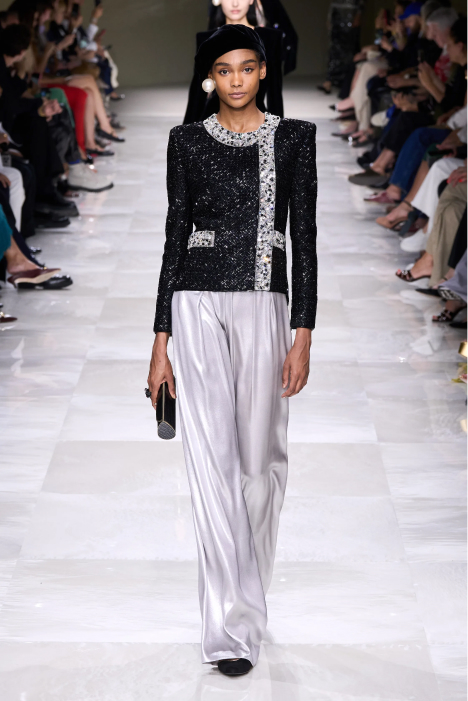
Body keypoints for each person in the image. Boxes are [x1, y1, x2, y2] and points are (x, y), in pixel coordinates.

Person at [148, 23, 317, 677]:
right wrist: (159, 341)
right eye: (225, 70)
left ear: (264, 72)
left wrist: (303, 332)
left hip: (264, 304)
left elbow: (304, 238)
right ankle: (229, 629)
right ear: (209, 77)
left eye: (248, 67)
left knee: (260, 464)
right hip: (195, 303)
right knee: (210, 465)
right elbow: (175, 234)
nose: (238, 79)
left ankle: (249, 595)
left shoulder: (293, 138)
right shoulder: (186, 141)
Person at [184, 0, 283, 123]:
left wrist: (280, 129)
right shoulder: (206, 39)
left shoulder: (270, 38)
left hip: (256, 121)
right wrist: (186, 130)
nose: (235, 3)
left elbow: (275, 93)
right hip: (213, 119)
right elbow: (197, 94)